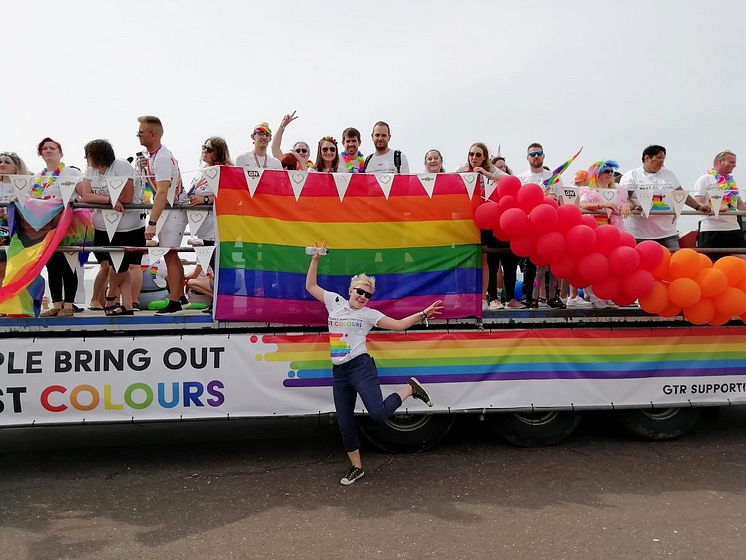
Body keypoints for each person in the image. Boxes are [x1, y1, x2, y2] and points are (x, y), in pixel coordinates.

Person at [306, 242, 441, 485]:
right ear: (350, 289)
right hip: (339, 373)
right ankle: (356, 468)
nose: (362, 296)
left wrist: (423, 314)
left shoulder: (369, 315)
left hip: (360, 367)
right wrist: (315, 259)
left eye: (367, 294)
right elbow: (311, 286)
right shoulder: (333, 301)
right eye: (359, 291)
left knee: (377, 413)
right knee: (345, 423)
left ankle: (410, 388)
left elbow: (399, 325)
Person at [78, 139, 144, 316]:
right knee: (116, 266)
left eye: (88, 155)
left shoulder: (121, 166)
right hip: (102, 227)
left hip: (129, 227)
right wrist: (109, 199)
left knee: (121, 266)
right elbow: (85, 196)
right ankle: (127, 305)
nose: (85, 158)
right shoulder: (90, 171)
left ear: (98, 155)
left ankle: (111, 296)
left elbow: (127, 197)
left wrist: (100, 197)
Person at [457, 144, 519, 310]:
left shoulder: (490, 169)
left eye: (478, 154)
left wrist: (487, 173)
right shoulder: (461, 169)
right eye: (471, 154)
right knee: (466, 259)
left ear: (484, 157)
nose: (474, 158)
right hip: (467, 221)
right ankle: (466, 298)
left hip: (486, 219)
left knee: (487, 259)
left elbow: (512, 181)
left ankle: (488, 298)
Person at [137, 115, 188, 314]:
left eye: (140, 133)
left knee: (170, 255)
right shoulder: (154, 157)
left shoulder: (163, 158)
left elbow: (162, 191)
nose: (138, 136)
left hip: (172, 211)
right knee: (171, 255)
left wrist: (152, 223)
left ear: (153, 134)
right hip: (169, 210)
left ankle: (174, 300)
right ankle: (180, 296)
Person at [32, 138, 83, 318]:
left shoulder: (69, 172)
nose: (48, 151)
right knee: (52, 266)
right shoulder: (38, 177)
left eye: (52, 148)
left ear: (60, 153)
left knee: (68, 265)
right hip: (47, 226)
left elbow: (83, 193)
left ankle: (68, 304)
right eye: (44, 148)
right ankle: (56, 304)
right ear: (40, 154)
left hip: (69, 224)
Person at [620, 145, 707, 249]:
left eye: (663, 158)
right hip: (640, 233)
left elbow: (681, 194)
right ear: (647, 158)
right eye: (658, 158)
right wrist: (630, 205)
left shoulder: (668, 174)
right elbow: (623, 196)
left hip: (668, 232)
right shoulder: (632, 175)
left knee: (672, 260)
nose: (661, 161)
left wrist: (698, 207)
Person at [517, 143, 565, 309]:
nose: (536, 156)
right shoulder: (522, 178)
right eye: (532, 154)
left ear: (544, 156)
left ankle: (553, 296)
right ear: (527, 157)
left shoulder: (554, 176)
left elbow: (562, 199)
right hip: (531, 227)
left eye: (539, 153)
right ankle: (530, 297)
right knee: (530, 266)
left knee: (552, 265)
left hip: (551, 225)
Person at [579, 160, 631, 308]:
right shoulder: (589, 191)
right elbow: (582, 205)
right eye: (606, 171)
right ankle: (596, 298)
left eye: (611, 172)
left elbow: (627, 203)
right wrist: (603, 205)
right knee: (596, 266)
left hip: (614, 234)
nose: (610, 174)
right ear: (597, 174)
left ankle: (607, 297)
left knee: (611, 267)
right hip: (596, 234)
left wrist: (628, 204)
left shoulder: (619, 192)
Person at [189, 137, 231, 275]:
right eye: (204, 147)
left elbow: (230, 196)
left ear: (218, 153)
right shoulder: (203, 171)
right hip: (203, 227)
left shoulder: (224, 170)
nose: (204, 151)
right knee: (214, 268)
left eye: (209, 149)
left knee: (221, 269)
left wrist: (205, 199)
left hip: (216, 229)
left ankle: (224, 295)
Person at [694, 150, 744, 255]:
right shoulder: (705, 179)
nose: (735, 165)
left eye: (735, 162)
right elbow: (697, 202)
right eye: (732, 162)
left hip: (733, 228)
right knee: (712, 262)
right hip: (712, 229)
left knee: (740, 260)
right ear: (720, 161)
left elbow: (740, 205)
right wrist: (714, 209)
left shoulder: (731, 182)